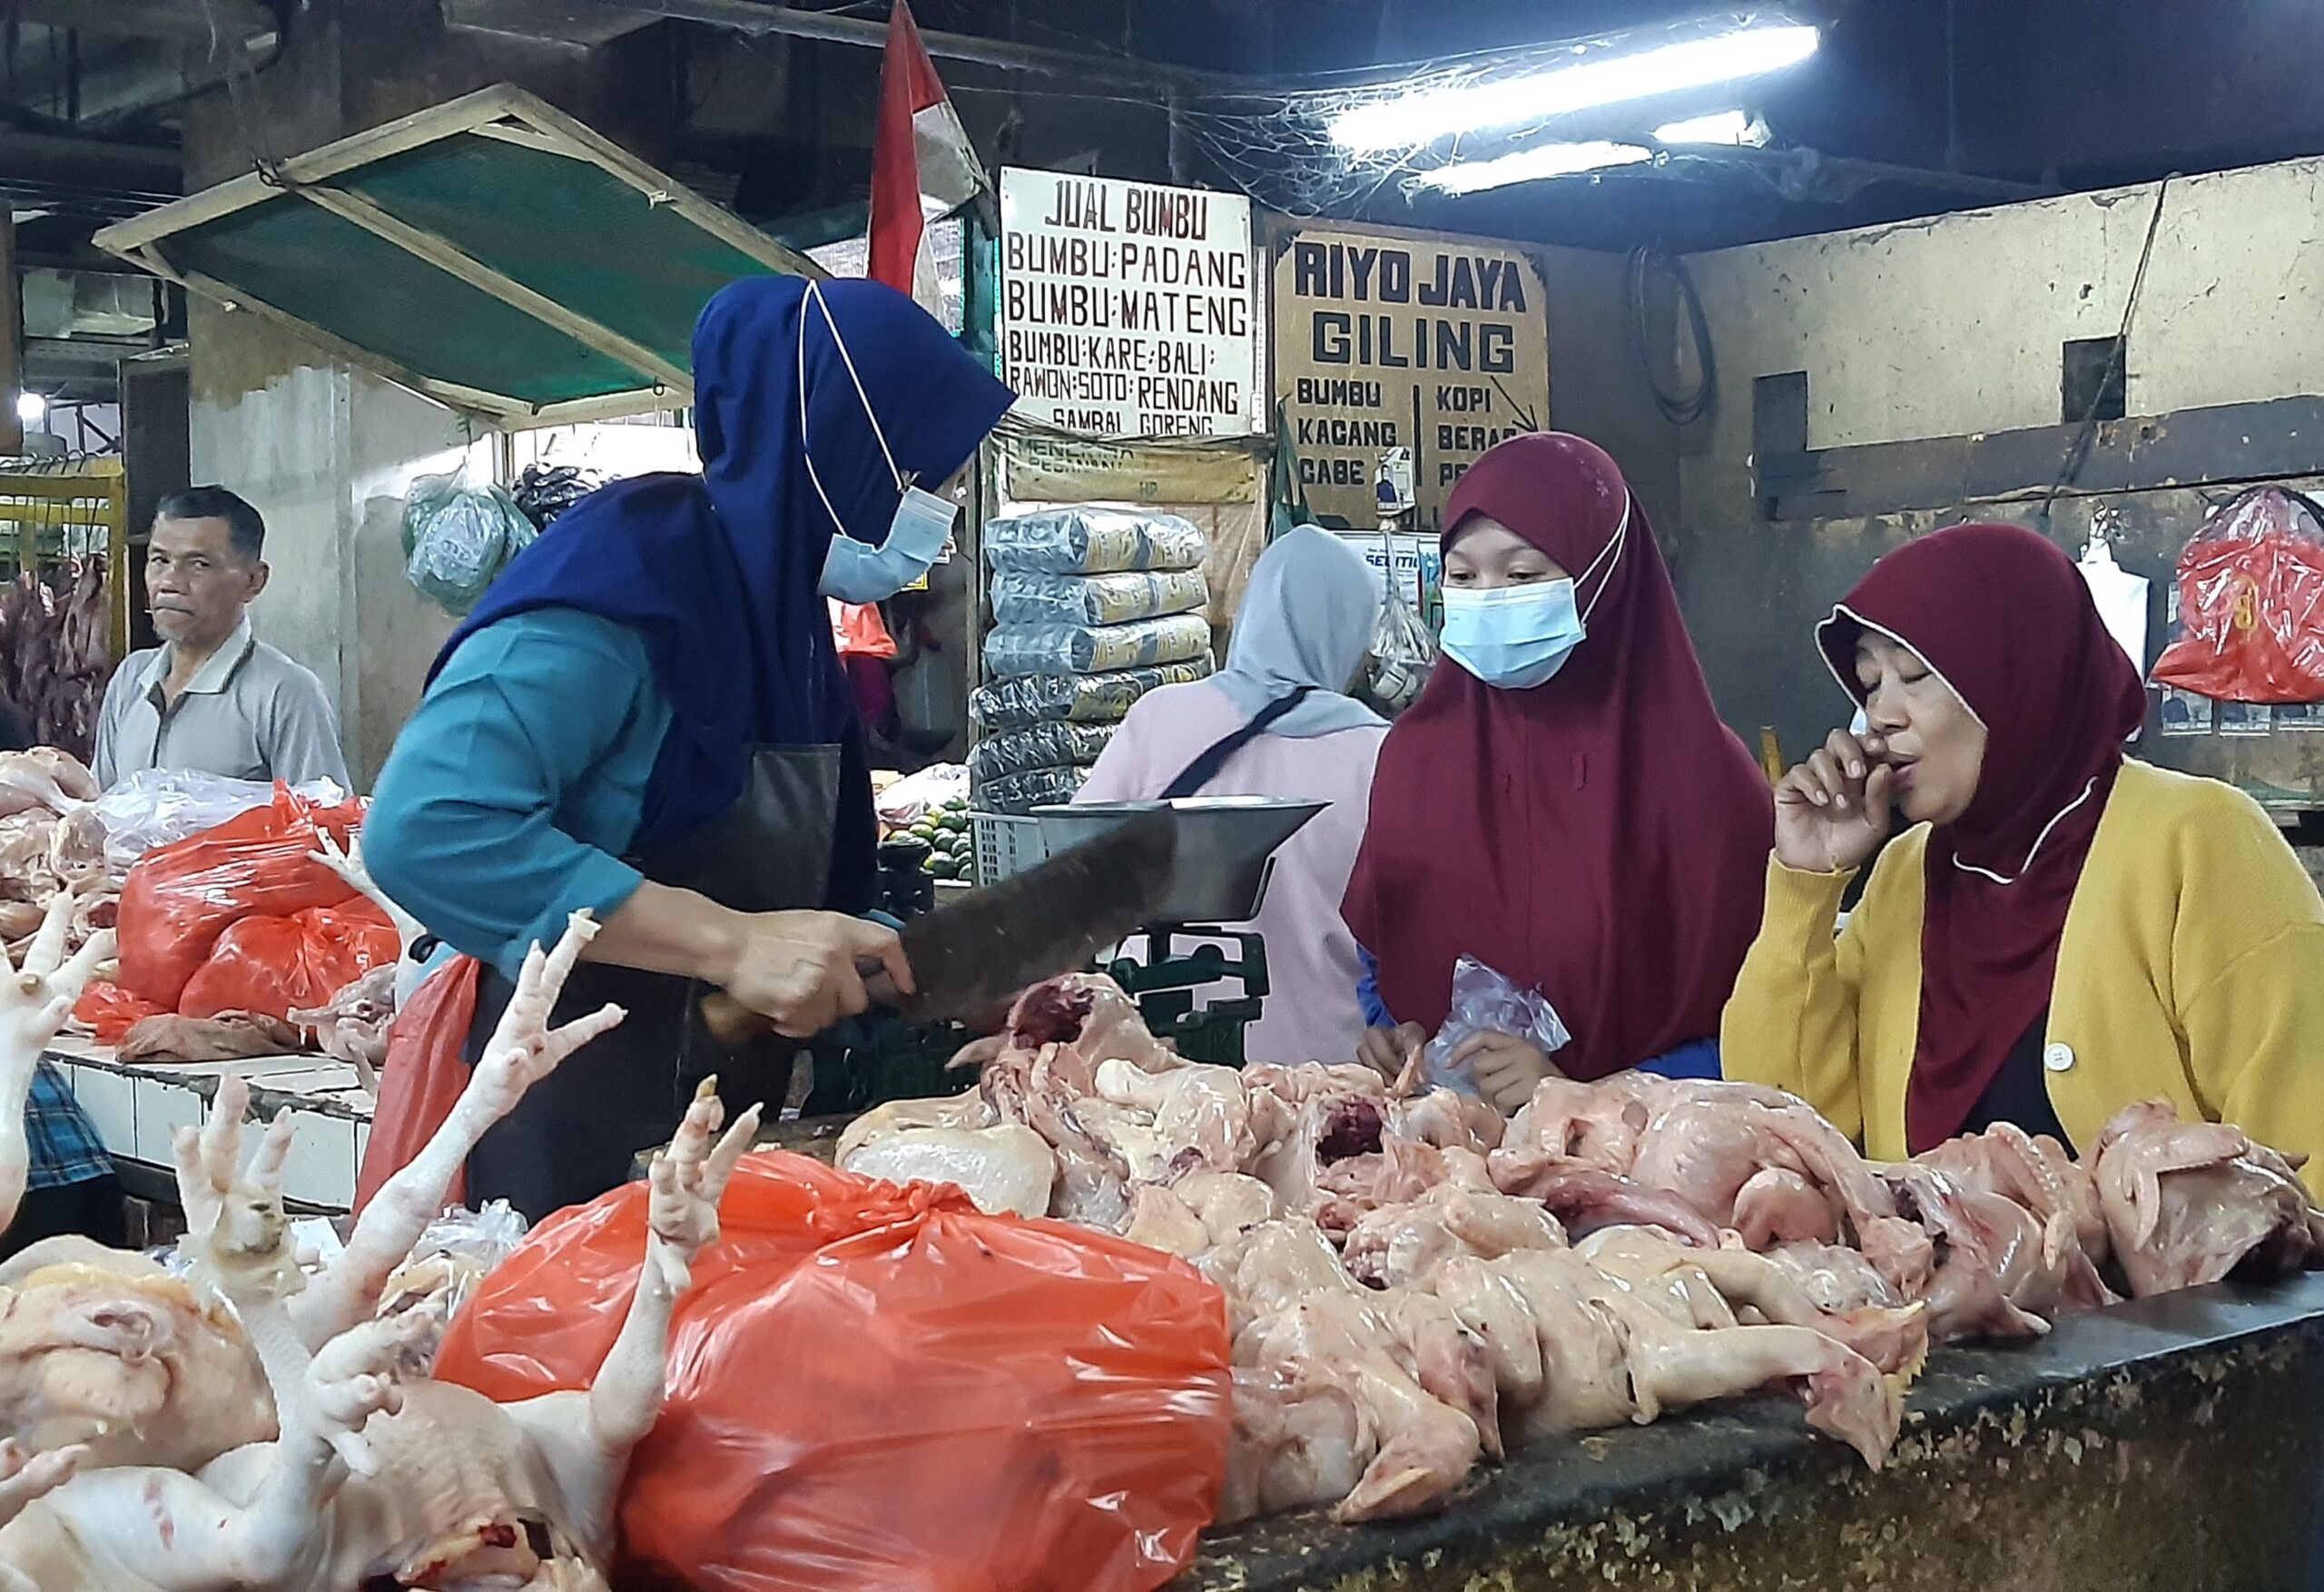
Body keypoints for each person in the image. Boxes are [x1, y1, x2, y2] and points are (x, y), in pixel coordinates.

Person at [362, 276, 1013, 1219]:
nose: (943, 512)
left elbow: (795, 911)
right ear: (844, 450)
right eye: (932, 477)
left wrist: (936, 972)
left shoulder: (783, 623)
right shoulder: (628, 580)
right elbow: (427, 827)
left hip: (706, 1134)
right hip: (566, 1132)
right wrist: (731, 941)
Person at [1724, 522, 2324, 1185]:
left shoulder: (2196, 841)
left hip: (2186, 1291)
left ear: (2018, 669)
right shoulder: (1903, 875)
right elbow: (1788, 1132)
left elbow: (2307, 1161)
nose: (1881, 716)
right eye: (1870, 685)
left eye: (1915, 675)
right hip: (1939, 1287)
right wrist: (1807, 887)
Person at [1343, 432, 1773, 1114]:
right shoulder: (1415, 762)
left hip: (1645, 1187)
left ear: (1603, 578)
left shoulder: (1703, 782)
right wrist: (1392, 1035)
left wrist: (1586, 1096)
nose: (1488, 598)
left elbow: (1766, 1031)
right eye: (1463, 575)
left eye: (1522, 576)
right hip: (1440, 1173)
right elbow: (1383, 959)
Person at [1074, 526, 1388, 1062]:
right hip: (1334, 1069)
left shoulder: (1161, 717)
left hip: (1160, 1064)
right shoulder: (1383, 754)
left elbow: (1074, 877)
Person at [91, 486, 350, 791]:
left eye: (199, 565)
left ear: (254, 581)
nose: (170, 583)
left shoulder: (285, 694)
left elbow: (325, 823)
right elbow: (100, 807)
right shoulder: (131, 679)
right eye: (160, 560)